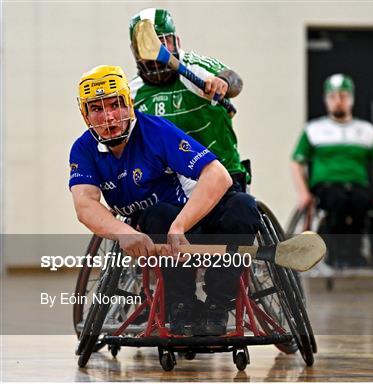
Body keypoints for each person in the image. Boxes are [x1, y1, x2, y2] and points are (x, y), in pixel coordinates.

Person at [69, 65, 260, 336]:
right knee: (157, 214)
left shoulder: (155, 130)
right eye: (97, 109)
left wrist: (180, 226)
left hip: (192, 219)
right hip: (156, 226)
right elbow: (84, 204)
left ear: (130, 104)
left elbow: (218, 176)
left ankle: (218, 303)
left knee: (243, 206)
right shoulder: (83, 149)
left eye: (115, 105)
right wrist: (123, 233)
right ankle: (181, 304)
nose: (108, 117)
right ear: (85, 115)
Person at [128, 8, 250, 189]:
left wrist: (222, 82)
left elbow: (235, 81)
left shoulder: (195, 68)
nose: (156, 51)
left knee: (240, 215)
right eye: (146, 45)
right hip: (171, 187)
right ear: (135, 51)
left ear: (177, 42)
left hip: (223, 174)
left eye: (164, 41)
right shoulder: (132, 93)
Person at [291, 73, 373, 267]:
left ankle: (355, 255)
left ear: (351, 99)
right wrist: (303, 193)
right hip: (327, 186)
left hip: (357, 184)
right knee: (337, 202)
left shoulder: (367, 131)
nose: (338, 101)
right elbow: (296, 162)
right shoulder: (313, 130)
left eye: (343, 96)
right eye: (333, 96)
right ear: (326, 100)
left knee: (361, 203)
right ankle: (335, 255)